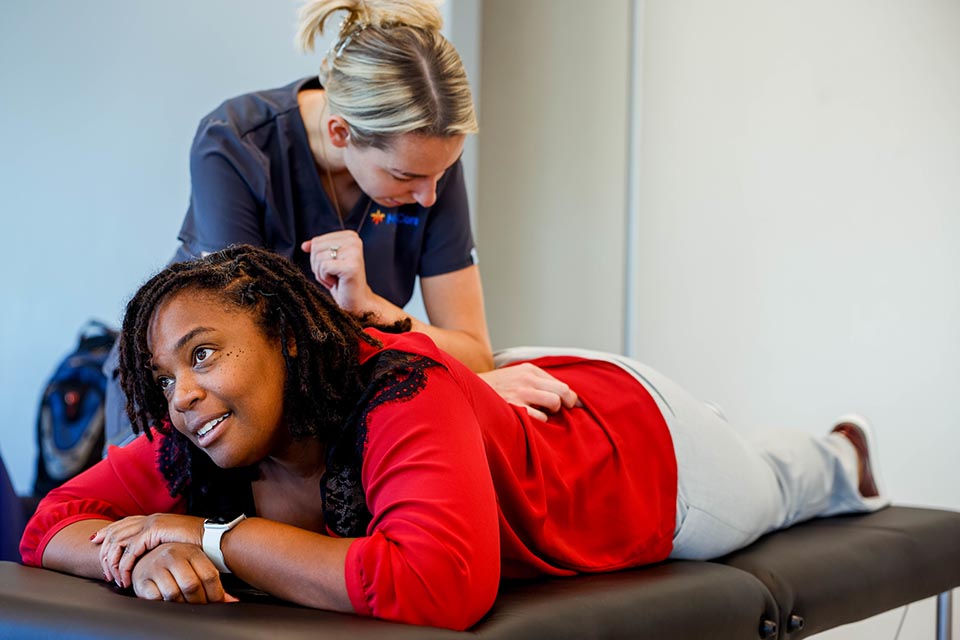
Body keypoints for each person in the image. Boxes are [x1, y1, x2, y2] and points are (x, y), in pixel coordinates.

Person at [22, 245, 889, 630]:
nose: (184, 395)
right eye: (164, 378)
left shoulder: (400, 390)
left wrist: (209, 536)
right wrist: (135, 554)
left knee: (782, 480)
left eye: (203, 355)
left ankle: (839, 452)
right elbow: (49, 522)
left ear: (287, 338)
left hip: (638, 454)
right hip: (510, 399)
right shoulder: (202, 434)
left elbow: (439, 586)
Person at [102, 0, 577, 451]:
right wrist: (448, 378)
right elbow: (247, 362)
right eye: (406, 176)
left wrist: (367, 306)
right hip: (194, 401)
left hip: (323, 411)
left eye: (442, 173)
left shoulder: (426, 167)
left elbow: (473, 354)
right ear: (340, 132)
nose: (429, 196)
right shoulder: (236, 145)